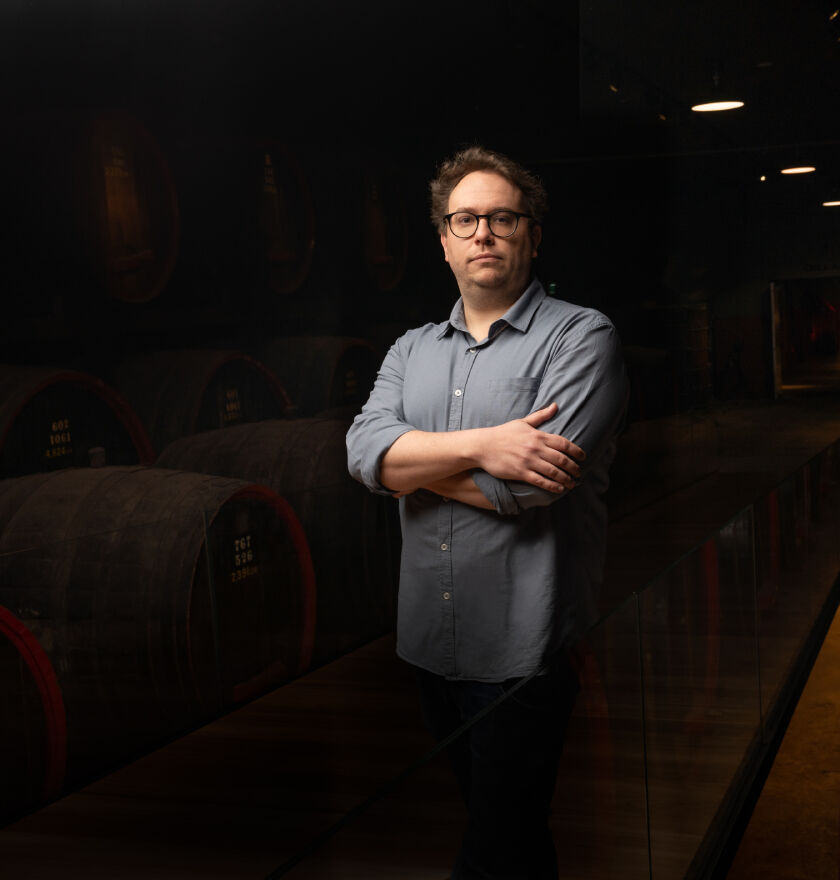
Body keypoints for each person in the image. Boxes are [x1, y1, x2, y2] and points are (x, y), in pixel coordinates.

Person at [346, 146, 628, 880]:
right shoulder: (412, 349)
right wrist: (486, 445)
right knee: (510, 833)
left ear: (531, 233)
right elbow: (362, 454)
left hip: (523, 650)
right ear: (442, 240)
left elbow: (531, 489)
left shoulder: (582, 336)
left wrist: (412, 470)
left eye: (502, 217)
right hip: (430, 645)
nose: (483, 234)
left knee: (494, 846)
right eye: (465, 219)